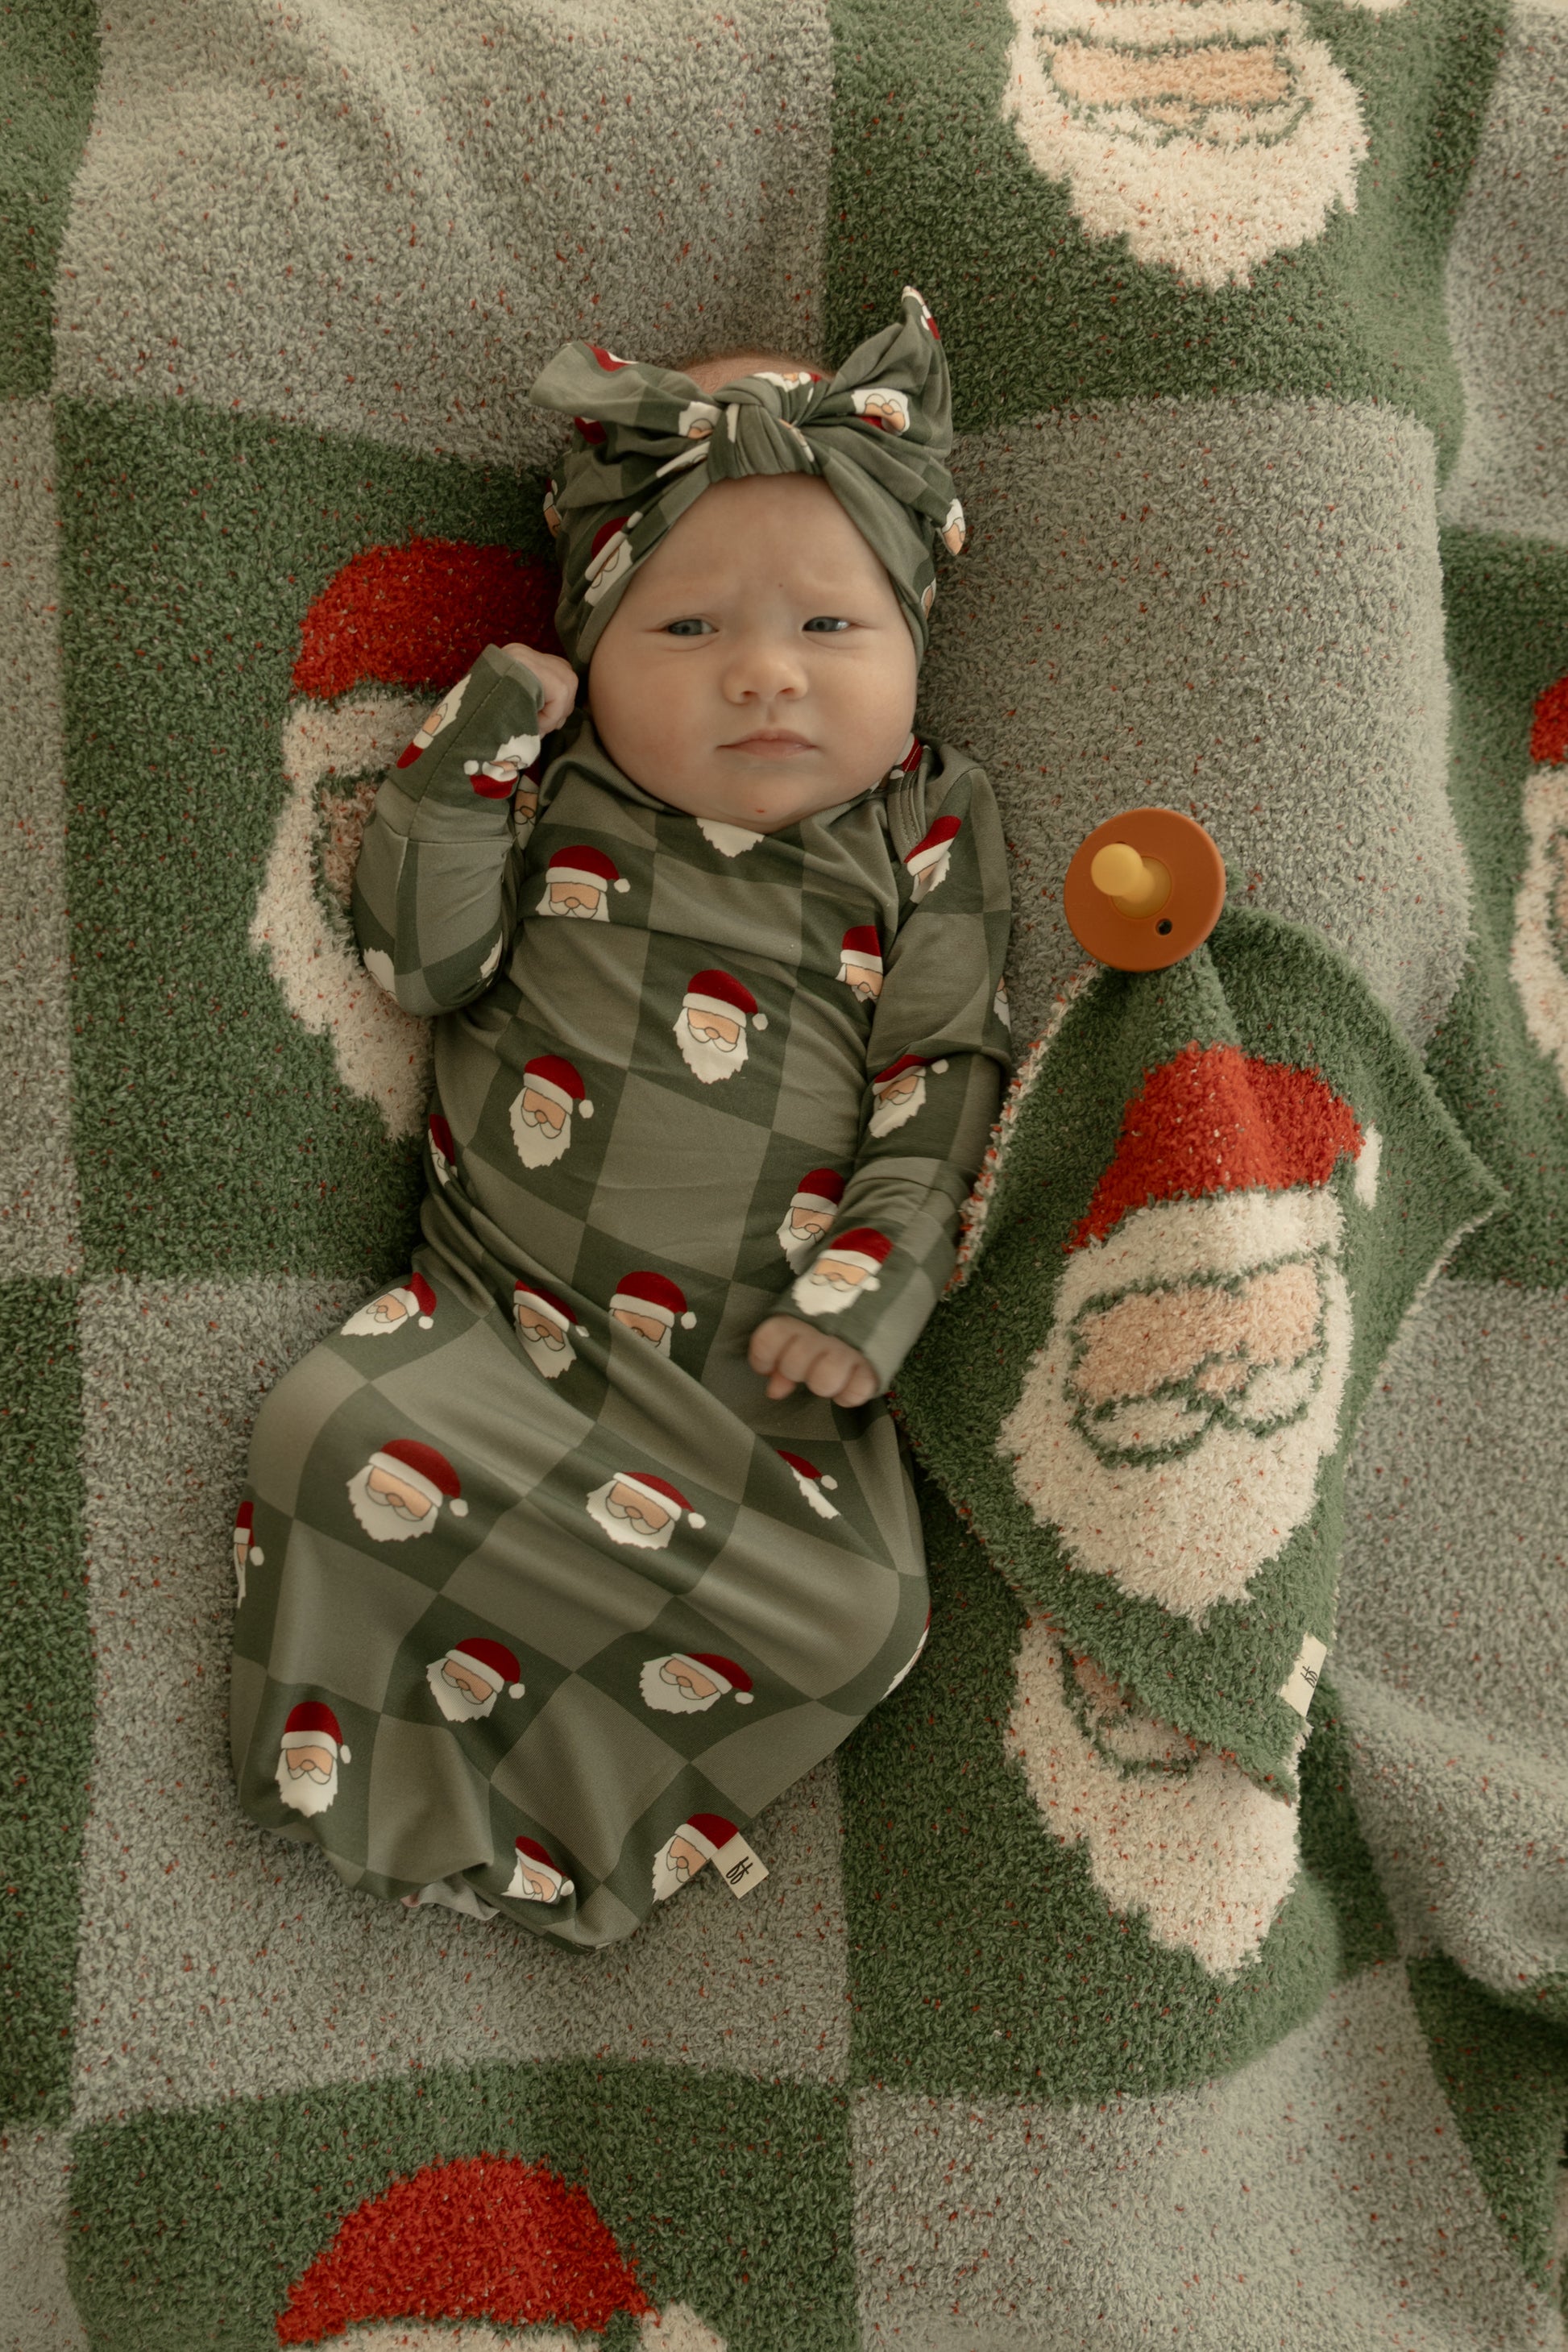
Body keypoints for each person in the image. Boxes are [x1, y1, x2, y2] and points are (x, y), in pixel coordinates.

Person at [227, 285, 1014, 1947]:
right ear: (589, 634)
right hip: (510, 1319)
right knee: (329, 1433)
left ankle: (581, 1829)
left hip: (753, 1385)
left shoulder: (928, 816)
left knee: (865, 1613)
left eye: (828, 629)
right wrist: (471, 757)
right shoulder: (554, 780)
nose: (759, 678)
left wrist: (878, 1283)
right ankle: (383, 1783)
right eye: (684, 630)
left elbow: (945, 1071)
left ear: (914, 638)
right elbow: (418, 961)